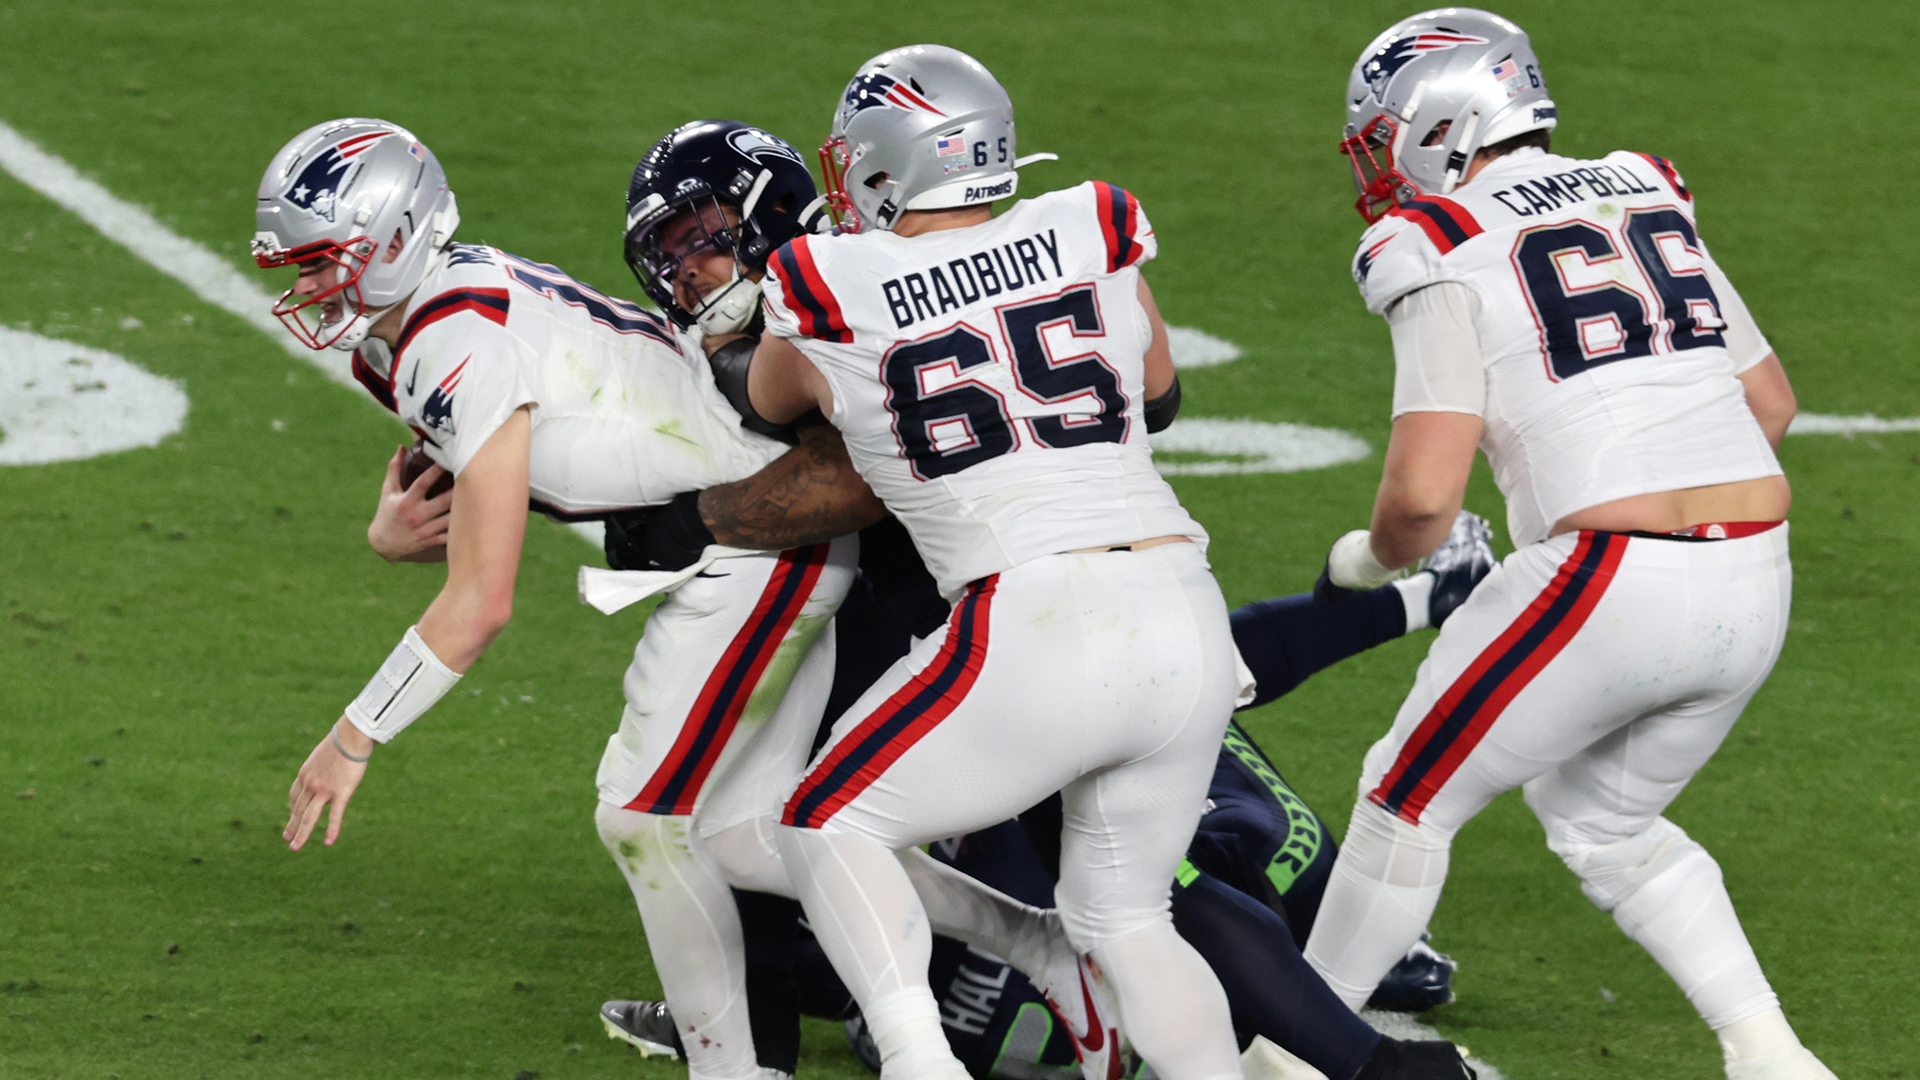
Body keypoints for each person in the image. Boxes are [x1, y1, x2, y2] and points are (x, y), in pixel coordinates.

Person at [663, 42, 1267, 1080]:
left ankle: (918, 1063)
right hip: (1184, 604)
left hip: (1037, 613)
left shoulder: (826, 277)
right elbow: (1157, 393)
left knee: (818, 823)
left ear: (885, 164)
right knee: (1124, 917)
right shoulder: (1092, 222)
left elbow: (763, 399)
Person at [255, 117, 866, 1080]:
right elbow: (539, 459)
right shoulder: (413, 329)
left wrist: (351, 738)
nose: (305, 284)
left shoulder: (449, 340)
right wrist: (392, 535)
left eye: (323, 261)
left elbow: (481, 603)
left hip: (765, 543)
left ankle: (741, 1064)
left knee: (642, 817)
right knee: (749, 839)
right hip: (731, 541)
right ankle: (1030, 941)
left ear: (391, 241)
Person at [1296, 11, 1832, 1080]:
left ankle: (1288, 1055)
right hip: (1757, 568)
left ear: (1439, 123)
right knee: (1606, 823)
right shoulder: (1642, 184)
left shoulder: (1433, 241)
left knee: (1406, 796)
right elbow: (1768, 404)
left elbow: (1422, 502)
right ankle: (1770, 1054)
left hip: (1608, 573)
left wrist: (1364, 562)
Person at [606, 511, 1500, 1080]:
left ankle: (755, 1040)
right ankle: (1360, 1022)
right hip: (1107, 674)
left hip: (992, 977)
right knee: (1152, 825)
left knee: (799, 818)